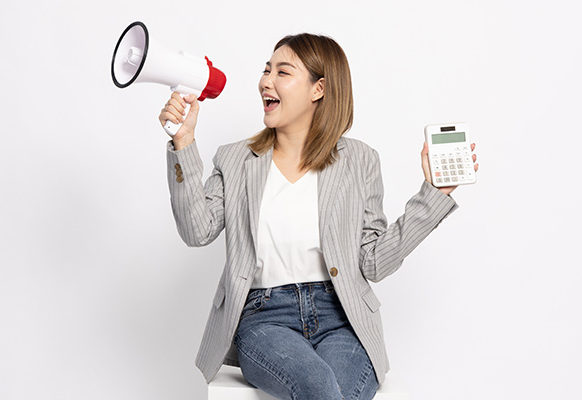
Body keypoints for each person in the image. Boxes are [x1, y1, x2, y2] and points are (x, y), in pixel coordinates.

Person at [159, 33, 478, 400]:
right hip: (265, 318)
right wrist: (183, 143)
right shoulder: (235, 159)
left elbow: (373, 262)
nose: (266, 81)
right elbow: (197, 231)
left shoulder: (359, 160)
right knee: (319, 387)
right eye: (266, 70)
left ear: (318, 89)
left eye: (283, 72)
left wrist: (434, 195)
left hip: (341, 318)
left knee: (338, 390)